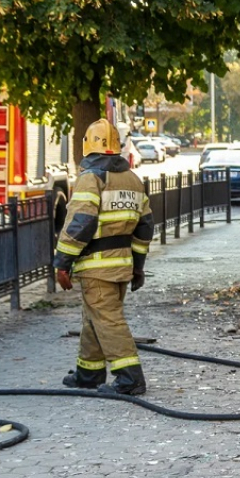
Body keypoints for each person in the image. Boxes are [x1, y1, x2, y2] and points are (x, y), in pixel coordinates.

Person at [54, 118, 154, 395]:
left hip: (97, 266)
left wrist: (62, 262)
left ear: (88, 146)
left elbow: (80, 223)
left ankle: (130, 379)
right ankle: (89, 374)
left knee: (108, 320)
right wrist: (138, 267)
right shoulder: (132, 179)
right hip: (121, 265)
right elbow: (145, 226)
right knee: (94, 317)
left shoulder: (91, 178)